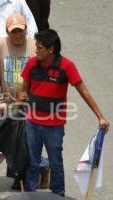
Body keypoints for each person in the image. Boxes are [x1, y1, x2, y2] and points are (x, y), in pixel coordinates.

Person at [20, 29, 110, 196]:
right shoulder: (32, 64)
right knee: (32, 162)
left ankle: (58, 195)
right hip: (32, 123)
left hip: (54, 127)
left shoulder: (67, 66)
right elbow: (23, 91)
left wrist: (100, 116)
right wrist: (20, 102)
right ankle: (29, 195)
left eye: (39, 48)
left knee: (56, 163)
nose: (36, 51)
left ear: (50, 49)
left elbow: (84, 92)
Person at [0, 13, 49, 191]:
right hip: (9, 104)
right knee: (12, 142)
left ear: (26, 30)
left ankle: (38, 167)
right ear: (7, 32)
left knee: (26, 142)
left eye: (20, 31)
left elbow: (44, 71)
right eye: (13, 32)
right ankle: (22, 174)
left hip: (31, 103)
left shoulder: (34, 46)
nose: (17, 35)